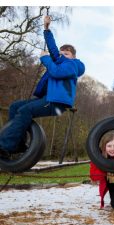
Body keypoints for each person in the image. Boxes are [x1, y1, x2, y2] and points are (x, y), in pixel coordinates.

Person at [0, 15, 85, 159]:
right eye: (61, 53)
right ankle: (18, 143)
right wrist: (46, 29)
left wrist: (45, 58)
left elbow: (57, 72)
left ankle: (5, 146)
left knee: (25, 110)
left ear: (73, 57)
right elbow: (53, 48)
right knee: (15, 107)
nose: (61, 55)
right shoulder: (60, 61)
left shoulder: (72, 65)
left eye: (66, 53)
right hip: (48, 98)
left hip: (56, 103)